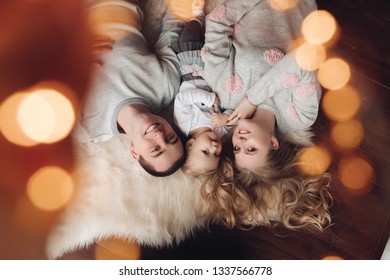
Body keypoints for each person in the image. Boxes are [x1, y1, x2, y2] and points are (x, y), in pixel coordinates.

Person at [199, 0, 332, 230]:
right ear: (273, 142)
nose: (240, 141)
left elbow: (217, 22)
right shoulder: (300, 115)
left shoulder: (225, 94)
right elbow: (304, 59)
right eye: (251, 148)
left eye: (238, 149)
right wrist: (253, 99)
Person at [73, 0, 186, 177]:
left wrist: (75, 51)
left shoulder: (86, 128)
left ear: (134, 153)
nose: (159, 135)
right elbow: (174, 25)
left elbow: (30, 81)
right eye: (170, 138)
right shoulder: (166, 86)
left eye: (156, 149)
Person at [172, 15, 235, 177]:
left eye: (206, 151)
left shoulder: (184, 124)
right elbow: (235, 115)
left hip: (192, 67)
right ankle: (217, 23)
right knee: (221, 44)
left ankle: (196, 18)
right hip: (214, 71)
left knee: (190, 34)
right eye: (217, 154)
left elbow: (183, 98)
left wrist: (209, 99)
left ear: (190, 144)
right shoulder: (219, 132)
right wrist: (225, 118)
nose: (215, 148)